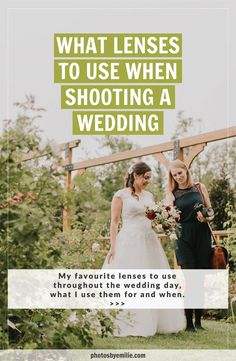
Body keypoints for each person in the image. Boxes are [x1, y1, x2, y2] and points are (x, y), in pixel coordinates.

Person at [103, 161, 185, 336]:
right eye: (146, 177)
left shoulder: (149, 196)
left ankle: (154, 321)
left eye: (150, 178)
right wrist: (112, 246)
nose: (148, 181)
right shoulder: (120, 195)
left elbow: (152, 219)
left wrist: (164, 221)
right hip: (129, 241)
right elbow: (115, 222)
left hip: (149, 240)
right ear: (136, 175)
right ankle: (125, 321)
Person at [166, 159, 213, 332]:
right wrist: (168, 211)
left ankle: (198, 322)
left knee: (199, 279)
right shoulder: (172, 193)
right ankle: (188, 323)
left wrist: (207, 217)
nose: (178, 177)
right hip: (183, 236)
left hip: (201, 235)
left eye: (180, 173)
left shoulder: (200, 187)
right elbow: (168, 216)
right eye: (174, 175)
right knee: (190, 278)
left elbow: (211, 210)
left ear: (186, 171)